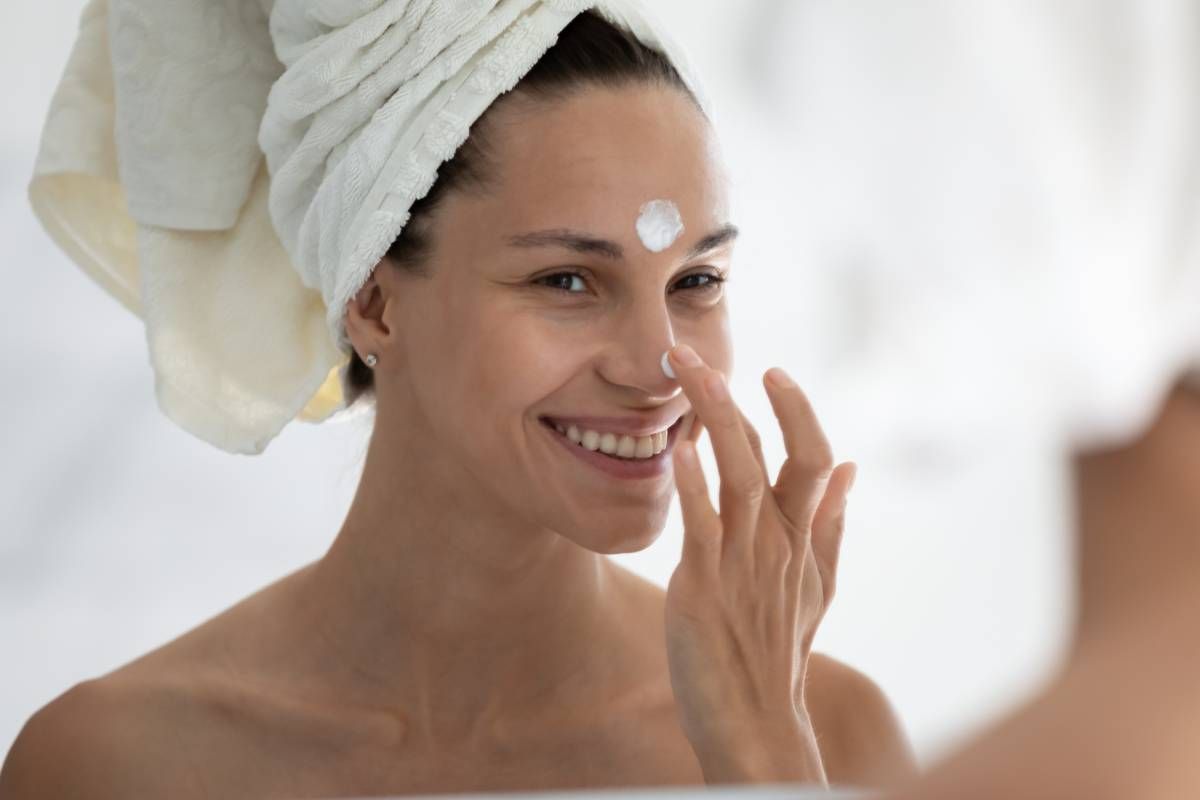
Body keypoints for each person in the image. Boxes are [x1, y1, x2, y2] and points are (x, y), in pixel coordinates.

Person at [0, 3, 917, 797]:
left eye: (696, 280)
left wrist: (763, 765)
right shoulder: (108, 769)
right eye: (566, 280)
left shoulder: (834, 736)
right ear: (374, 303)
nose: (657, 365)